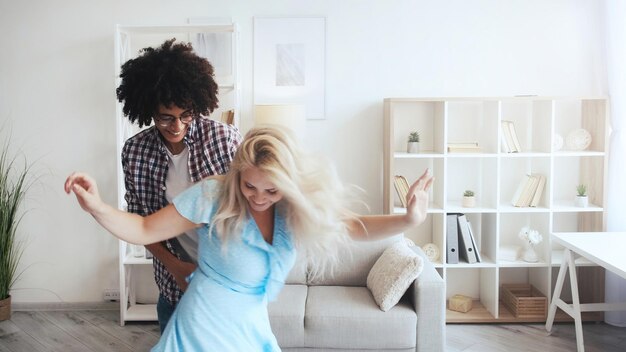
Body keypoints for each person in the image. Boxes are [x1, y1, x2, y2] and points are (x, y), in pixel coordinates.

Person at [64, 126, 433, 352]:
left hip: (251, 327)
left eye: (271, 190)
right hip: (203, 327)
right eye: (249, 185)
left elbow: (355, 227)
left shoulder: (293, 207)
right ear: (238, 174)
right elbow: (143, 229)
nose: (258, 197)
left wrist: (408, 218)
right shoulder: (214, 194)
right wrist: (97, 206)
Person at [115, 38, 242, 333]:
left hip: (226, 280)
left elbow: (248, 208)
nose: (177, 126)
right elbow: (140, 222)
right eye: (166, 118)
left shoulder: (224, 140)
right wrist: (174, 267)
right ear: (148, 109)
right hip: (173, 284)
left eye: (186, 115)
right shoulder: (135, 152)